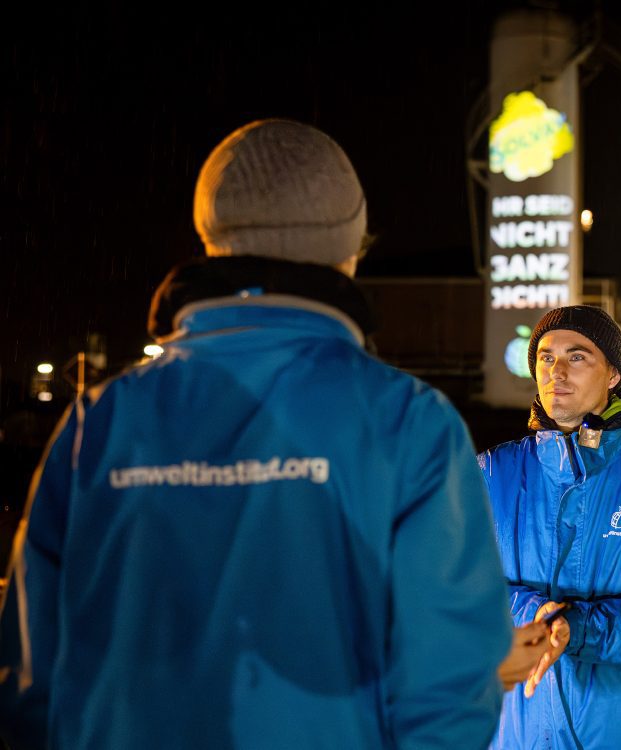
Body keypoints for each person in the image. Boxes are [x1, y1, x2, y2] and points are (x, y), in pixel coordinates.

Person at [0, 119, 523, 749]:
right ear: (349, 250)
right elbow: (446, 686)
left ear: (212, 242)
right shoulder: (406, 421)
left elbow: (32, 680)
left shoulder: (100, 422)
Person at [478, 305, 621, 750]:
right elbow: (458, 586)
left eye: (577, 356)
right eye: (546, 358)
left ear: (612, 375)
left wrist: (578, 628)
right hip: (517, 731)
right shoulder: (492, 473)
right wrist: (538, 618)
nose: (557, 372)